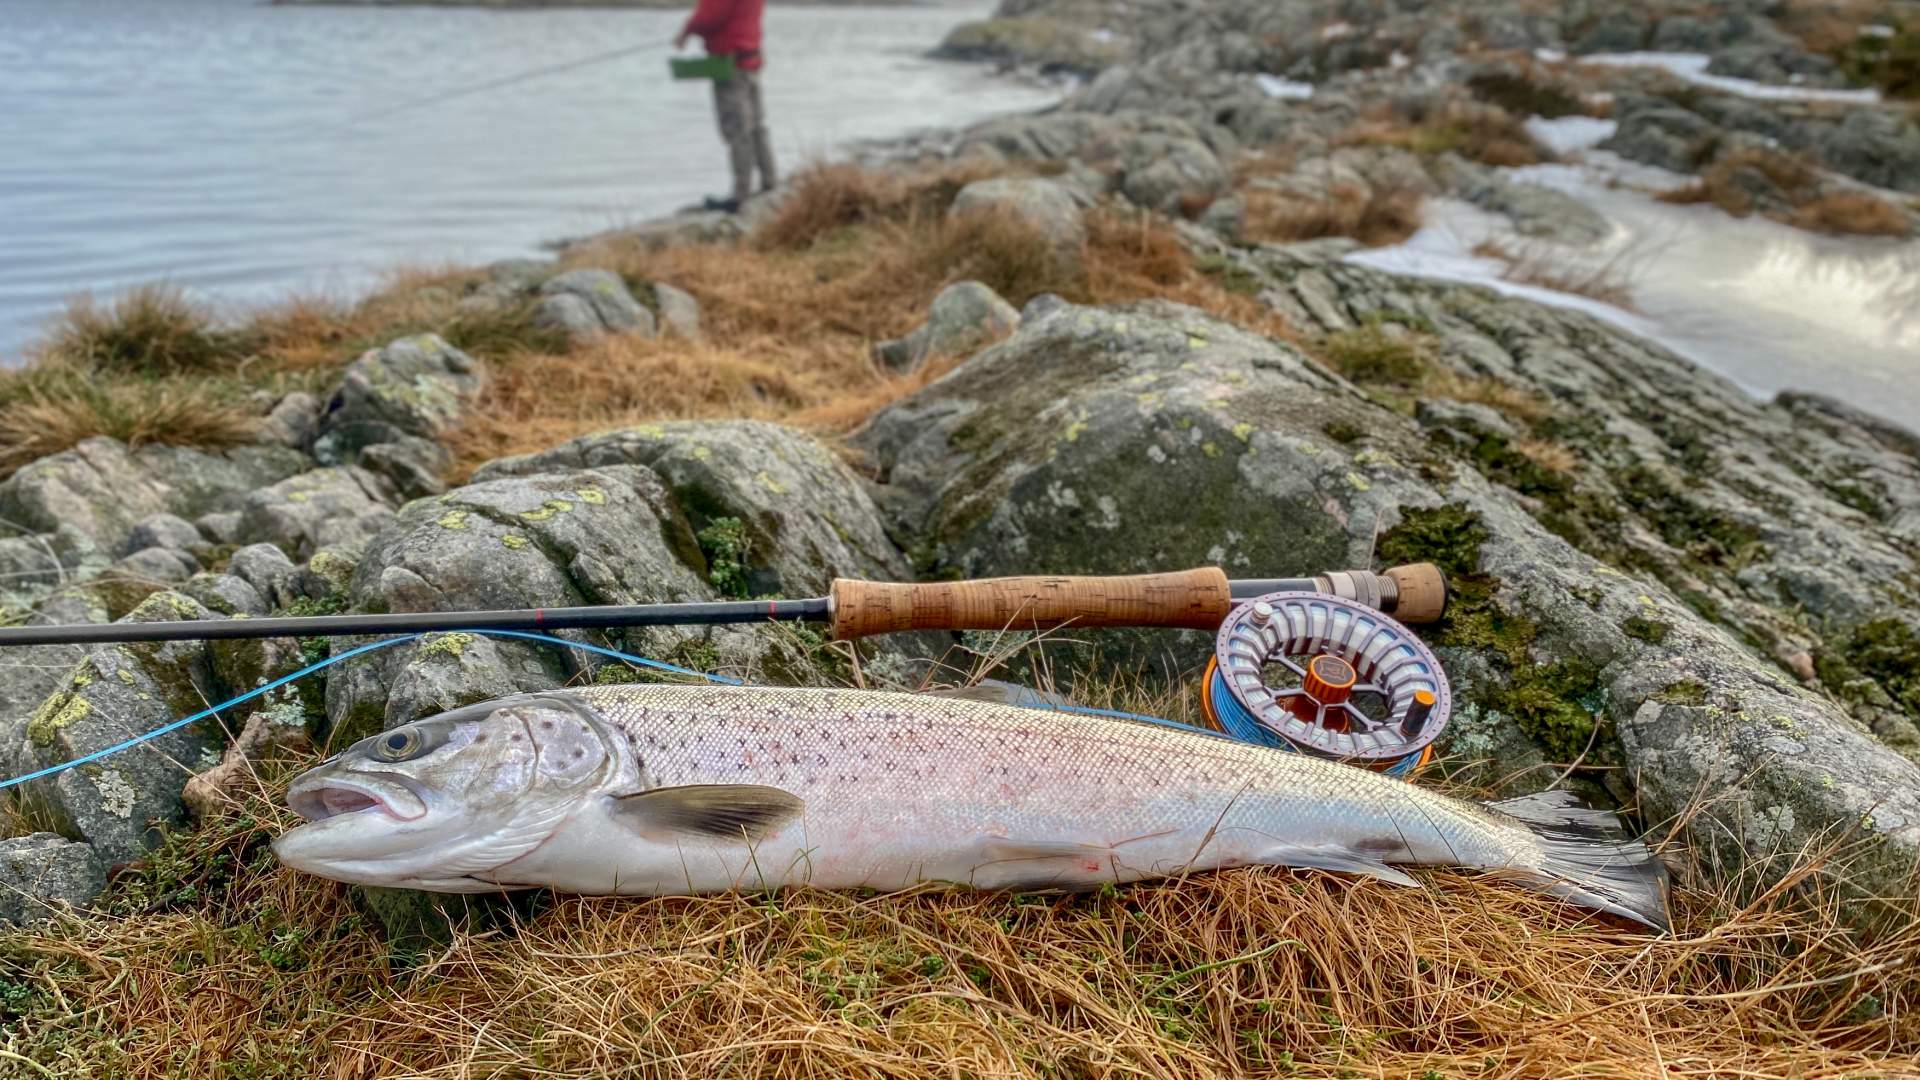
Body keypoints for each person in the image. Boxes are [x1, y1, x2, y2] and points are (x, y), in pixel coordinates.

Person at [675, 0, 776, 213]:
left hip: (731, 65)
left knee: (738, 128)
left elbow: (709, 17)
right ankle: (770, 181)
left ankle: (740, 194)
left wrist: (686, 31)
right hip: (751, 59)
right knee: (757, 125)